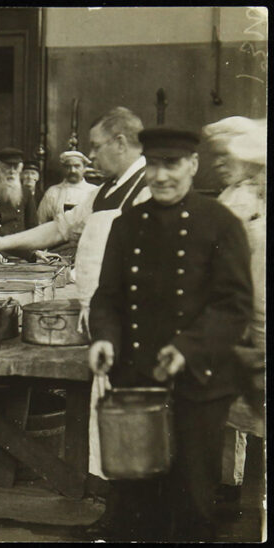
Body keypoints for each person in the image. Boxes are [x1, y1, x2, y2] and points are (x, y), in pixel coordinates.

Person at [87, 127, 252, 542]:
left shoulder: (220, 224)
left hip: (198, 385)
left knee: (192, 501)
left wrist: (187, 348)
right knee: (135, 499)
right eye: (153, 165)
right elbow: (107, 298)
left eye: (172, 164)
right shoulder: (128, 225)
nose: (160, 176)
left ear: (193, 166)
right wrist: (104, 337)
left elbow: (233, 306)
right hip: (137, 384)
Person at [0, 107, 153, 481]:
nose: (91, 156)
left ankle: (131, 516)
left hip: (131, 323)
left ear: (120, 143)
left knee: (131, 422)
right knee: (107, 417)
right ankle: (111, 503)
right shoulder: (109, 189)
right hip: (101, 318)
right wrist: (2, 242)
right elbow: (60, 228)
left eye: (96, 146)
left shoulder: (146, 188)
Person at [202, 116, 266, 504]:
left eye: (226, 156)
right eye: (217, 156)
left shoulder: (248, 200)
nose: (219, 163)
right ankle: (230, 488)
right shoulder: (233, 197)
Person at [0, 147, 38, 234]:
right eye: (8, 166)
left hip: (20, 243)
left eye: (15, 167)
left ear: (20, 169)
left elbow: (32, 225)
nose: (12, 171)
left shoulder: (26, 193)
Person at [37, 151, 98, 224]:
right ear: (63, 168)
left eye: (77, 166)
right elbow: (40, 221)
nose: (72, 170)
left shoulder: (94, 191)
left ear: (84, 168)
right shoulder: (53, 192)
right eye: (68, 166)